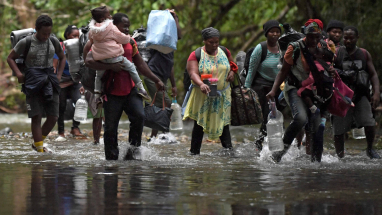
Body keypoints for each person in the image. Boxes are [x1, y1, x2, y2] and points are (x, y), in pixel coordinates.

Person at [85, 12, 164, 160]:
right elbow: (88, 60)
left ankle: (132, 152)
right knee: (110, 126)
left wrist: (156, 80)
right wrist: (110, 66)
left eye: (128, 27)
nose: (127, 30)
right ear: (113, 26)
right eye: (124, 26)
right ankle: (111, 157)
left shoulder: (130, 42)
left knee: (139, 116)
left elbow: (140, 64)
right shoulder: (101, 40)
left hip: (130, 89)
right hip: (111, 91)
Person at [266, 19, 336, 162]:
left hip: (315, 91)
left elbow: (329, 67)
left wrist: (332, 71)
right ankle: (279, 154)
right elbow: (283, 71)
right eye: (311, 36)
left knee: (317, 126)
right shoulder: (295, 48)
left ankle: (316, 163)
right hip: (295, 88)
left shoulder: (325, 47)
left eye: (317, 36)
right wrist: (273, 91)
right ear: (305, 34)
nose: (314, 40)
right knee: (301, 118)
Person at [7, 15, 65, 152]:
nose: (46, 36)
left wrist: (59, 75)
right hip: (32, 80)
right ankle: (39, 149)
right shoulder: (26, 42)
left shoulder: (53, 41)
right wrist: (19, 74)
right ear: (37, 30)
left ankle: (37, 143)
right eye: (44, 33)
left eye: (49, 33)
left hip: (50, 78)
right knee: (36, 116)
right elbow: (10, 58)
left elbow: (62, 57)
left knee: (53, 116)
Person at [183, 27, 236, 155]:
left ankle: (229, 153)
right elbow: (193, 73)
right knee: (199, 124)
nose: (214, 45)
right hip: (202, 96)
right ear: (204, 41)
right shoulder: (196, 54)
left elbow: (232, 64)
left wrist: (232, 72)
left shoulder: (224, 51)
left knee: (223, 123)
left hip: (223, 95)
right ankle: (194, 154)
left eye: (216, 42)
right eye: (211, 42)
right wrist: (201, 84)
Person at [332, 26, 381, 159]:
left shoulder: (364, 54)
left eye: (351, 38)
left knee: (369, 122)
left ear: (357, 38)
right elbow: (330, 71)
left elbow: (373, 75)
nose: (347, 41)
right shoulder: (337, 53)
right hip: (342, 96)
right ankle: (340, 155)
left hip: (361, 94)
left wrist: (376, 93)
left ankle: (370, 149)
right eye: (345, 38)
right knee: (339, 127)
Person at [83, 6, 149, 102]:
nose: (110, 17)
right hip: (114, 58)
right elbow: (122, 38)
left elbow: (91, 41)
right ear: (103, 19)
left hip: (100, 59)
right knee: (131, 67)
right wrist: (129, 38)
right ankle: (142, 89)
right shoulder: (111, 28)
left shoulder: (92, 30)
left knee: (98, 76)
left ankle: (97, 96)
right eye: (109, 15)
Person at [244, 20, 282, 151]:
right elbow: (251, 70)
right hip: (262, 86)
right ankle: (260, 143)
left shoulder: (283, 47)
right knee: (268, 115)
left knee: (276, 115)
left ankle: (265, 142)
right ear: (266, 33)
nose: (275, 34)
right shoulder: (260, 48)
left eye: (277, 32)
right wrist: (246, 90)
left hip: (278, 86)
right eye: (272, 31)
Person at [145, 9, 181, 139]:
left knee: (160, 104)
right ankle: (165, 134)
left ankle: (154, 137)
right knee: (165, 102)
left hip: (163, 77)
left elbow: (170, 65)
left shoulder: (171, 45)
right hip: (153, 76)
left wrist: (174, 85)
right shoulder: (159, 40)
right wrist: (172, 17)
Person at [53, 25, 85, 139]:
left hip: (75, 82)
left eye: (78, 36)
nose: (76, 38)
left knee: (80, 102)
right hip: (61, 82)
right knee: (61, 106)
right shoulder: (61, 47)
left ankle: (75, 127)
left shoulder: (81, 48)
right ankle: (60, 131)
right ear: (67, 36)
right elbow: (54, 66)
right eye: (73, 36)